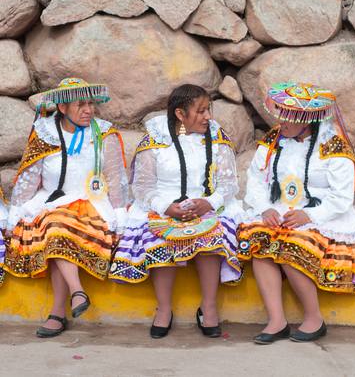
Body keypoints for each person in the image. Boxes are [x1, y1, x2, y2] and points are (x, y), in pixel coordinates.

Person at [237, 82, 355, 344]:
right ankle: (276, 321)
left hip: (325, 215)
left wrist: (309, 216)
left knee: (292, 247)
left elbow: (342, 198)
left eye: (289, 117)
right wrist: (265, 208)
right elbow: (256, 178)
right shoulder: (275, 139)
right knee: (259, 242)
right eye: (281, 115)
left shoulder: (333, 146)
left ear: (306, 119)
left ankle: (314, 319)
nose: (281, 122)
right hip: (280, 210)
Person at [109, 84, 244, 339]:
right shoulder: (155, 139)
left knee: (211, 236)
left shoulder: (217, 137)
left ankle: (209, 307)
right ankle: (164, 309)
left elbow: (229, 183)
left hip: (206, 205)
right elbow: (143, 185)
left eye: (208, 110)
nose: (208, 117)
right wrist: (166, 208)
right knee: (160, 236)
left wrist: (209, 203)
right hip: (163, 206)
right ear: (181, 115)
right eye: (201, 111)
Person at [5, 78, 128, 338]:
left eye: (90, 104)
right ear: (62, 109)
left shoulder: (104, 134)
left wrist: (120, 216)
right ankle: (76, 293)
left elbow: (116, 179)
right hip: (51, 201)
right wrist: (15, 214)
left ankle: (59, 312)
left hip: (91, 203)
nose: (88, 110)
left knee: (57, 226)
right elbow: (29, 177)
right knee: (56, 224)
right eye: (80, 105)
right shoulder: (45, 134)